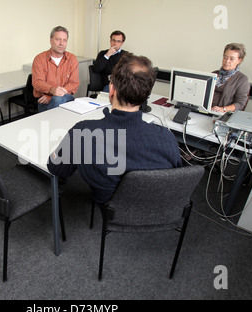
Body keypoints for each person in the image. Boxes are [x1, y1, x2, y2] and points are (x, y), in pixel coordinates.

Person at [47, 53, 182, 204]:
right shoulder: (167, 139)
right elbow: (175, 178)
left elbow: (57, 169)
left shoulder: (83, 133)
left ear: (111, 90)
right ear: (146, 95)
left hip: (110, 209)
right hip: (155, 210)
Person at [32, 26, 80, 112]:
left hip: (65, 98)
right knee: (56, 102)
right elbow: (37, 82)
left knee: (57, 100)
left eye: (64, 40)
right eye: (58, 39)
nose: (61, 43)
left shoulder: (72, 59)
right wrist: (51, 90)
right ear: (51, 41)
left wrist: (51, 96)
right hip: (43, 101)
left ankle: (49, 124)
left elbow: (74, 83)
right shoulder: (39, 59)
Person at [211, 43, 250, 113]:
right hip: (207, 111)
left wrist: (223, 109)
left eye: (232, 58)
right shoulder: (213, 74)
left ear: (240, 60)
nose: (227, 61)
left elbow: (240, 104)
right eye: (225, 57)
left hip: (224, 114)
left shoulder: (242, 80)